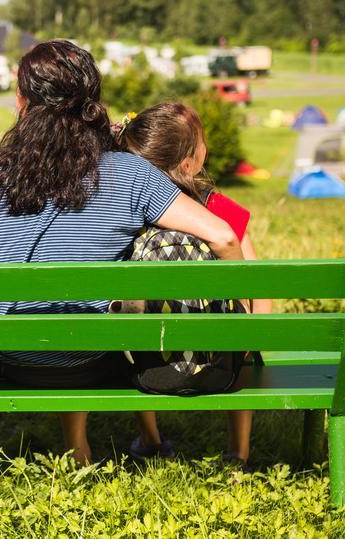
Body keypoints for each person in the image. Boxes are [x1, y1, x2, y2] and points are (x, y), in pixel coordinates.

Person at [0, 40, 243, 464]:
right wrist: (242, 317)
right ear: (92, 102)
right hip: (93, 358)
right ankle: (101, 444)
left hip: (13, 358)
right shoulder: (129, 173)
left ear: (21, 101)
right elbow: (224, 237)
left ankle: (74, 446)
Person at [116, 101, 273, 466]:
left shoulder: (133, 208)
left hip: (147, 362)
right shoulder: (218, 208)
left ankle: (151, 439)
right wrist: (252, 335)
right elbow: (255, 276)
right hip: (222, 362)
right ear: (190, 163)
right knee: (239, 343)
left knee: (127, 337)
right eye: (200, 140)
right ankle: (238, 452)